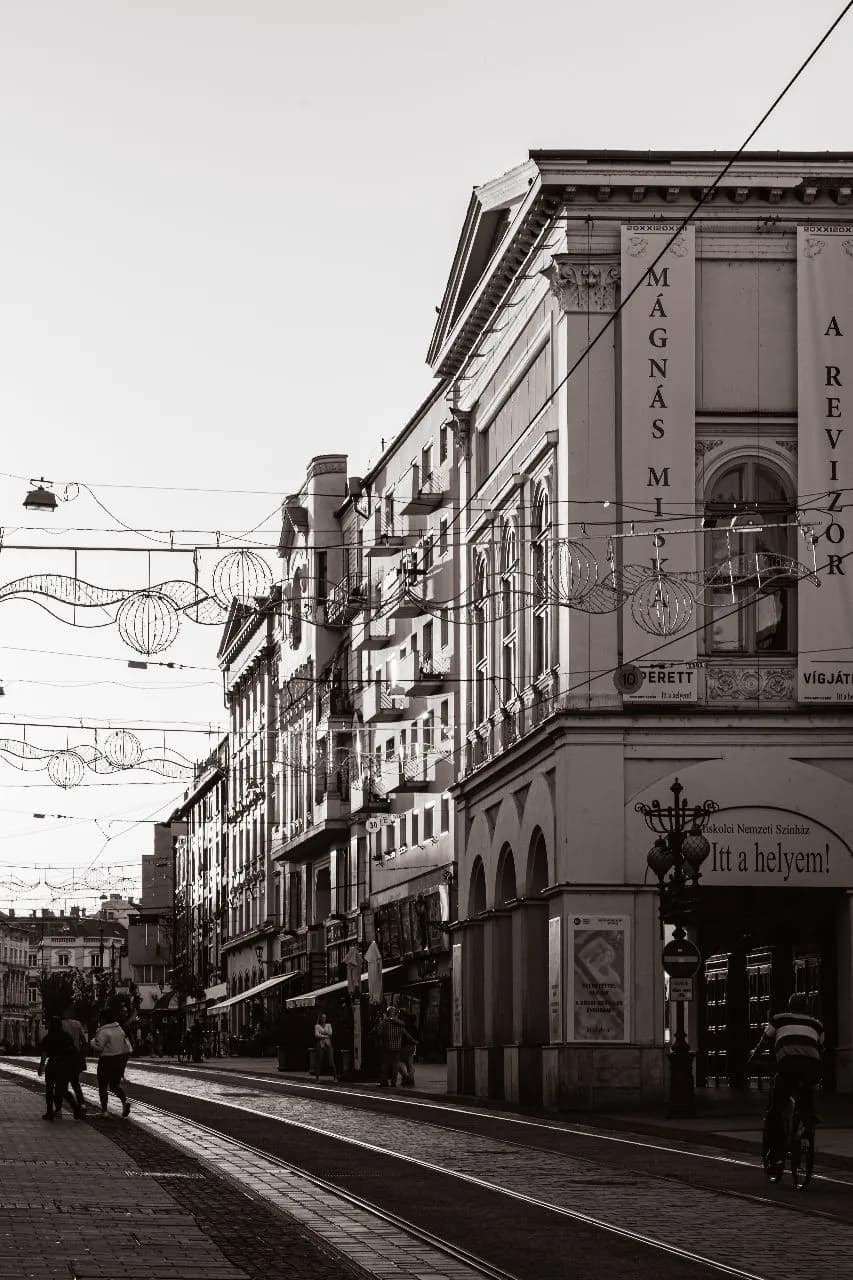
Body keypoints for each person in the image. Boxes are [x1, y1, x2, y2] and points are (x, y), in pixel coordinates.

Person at [750, 992, 825, 1158]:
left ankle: (776, 1151)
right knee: (806, 1094)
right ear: (807, 1008)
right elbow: (820, 1047)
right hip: (811, 1067)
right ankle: (808, 1123)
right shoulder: (816, 1024)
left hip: (788, 1066)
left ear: (789, 1006)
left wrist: (753, 1059)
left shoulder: (778, 1019)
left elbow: (764, 1042)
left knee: (776, 1109)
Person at [38, 1016, 82, 1121]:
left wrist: (41, 1066)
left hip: (53, 1064)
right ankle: (75, 1108)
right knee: (62, 1090)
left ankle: (50, 1112)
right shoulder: (66, 1036)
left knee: (49, 1089)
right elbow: (73, 1051)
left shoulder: (48, 1038)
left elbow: (44, 1053)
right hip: (64, 1065)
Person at [92, 1009, 133, 1118]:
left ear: (104, 1018)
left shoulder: (103, 1031)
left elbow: (99, 1047)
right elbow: (127, 1047)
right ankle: (125, 1102)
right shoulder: (119, 1029)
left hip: (106, 1060)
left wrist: (92, 1043)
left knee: (103, 1086)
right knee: (115, 1085)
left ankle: (104, 1110)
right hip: (118, 1060)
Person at [60, 1006, 88, 1114]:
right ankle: (82, 1104)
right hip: (75, 1057)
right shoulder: (77, 1024)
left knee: (62, 1085)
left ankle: (68, 1106)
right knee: (75, 1083)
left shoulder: (61, 1024)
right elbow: (83, 1040)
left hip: (64, 1057)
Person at [378, 1005, 404, 1088]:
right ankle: (393, 1083)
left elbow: (379, 1032)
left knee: (385, 1065)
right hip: (397, 1047)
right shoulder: (400, 1022)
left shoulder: (385, 1022)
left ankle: (384, 1082)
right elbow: (403, 1026)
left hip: (387, 1047)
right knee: (395, 1066)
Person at [313, 1010, 337, 1082]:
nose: (324, 1019)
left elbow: (330, 1033)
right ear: (320, 1019)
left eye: (325, 1017)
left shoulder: (328, 1025)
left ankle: (335, 1078)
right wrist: (325, 1035)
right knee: (319, 1061)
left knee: (331, 1061)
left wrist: (321, 1035)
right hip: (320, 1044)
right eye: (322, 1018)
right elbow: (316, 1035)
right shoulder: (317, 1026)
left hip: (328, 1044)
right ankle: (317, 1079)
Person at [397, 1012, 418, 1088]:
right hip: (412, 1047)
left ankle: (405, 1076)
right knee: (410, 1064)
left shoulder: (402, 1025)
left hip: (403, 1046)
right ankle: (411, 1079)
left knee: (397, 1062)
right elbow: (416, 1037)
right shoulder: (413, 1027)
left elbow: (404, 1035)